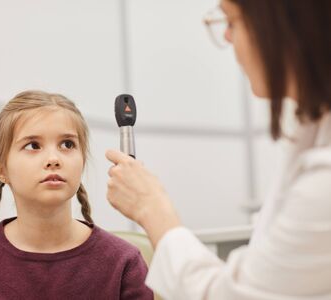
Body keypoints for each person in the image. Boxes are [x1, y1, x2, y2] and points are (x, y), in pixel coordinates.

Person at [106, 0, 331, 299]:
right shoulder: (311, 133)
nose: (226, 36)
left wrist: (151, 208)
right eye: (32, 145)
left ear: (283, 25)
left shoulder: (323, 178)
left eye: (232, 22)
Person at [0, 90, 153, 299]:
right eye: (33, 145)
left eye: (67, 144)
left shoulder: (125, 262)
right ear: (1, 169)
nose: (54, 159)